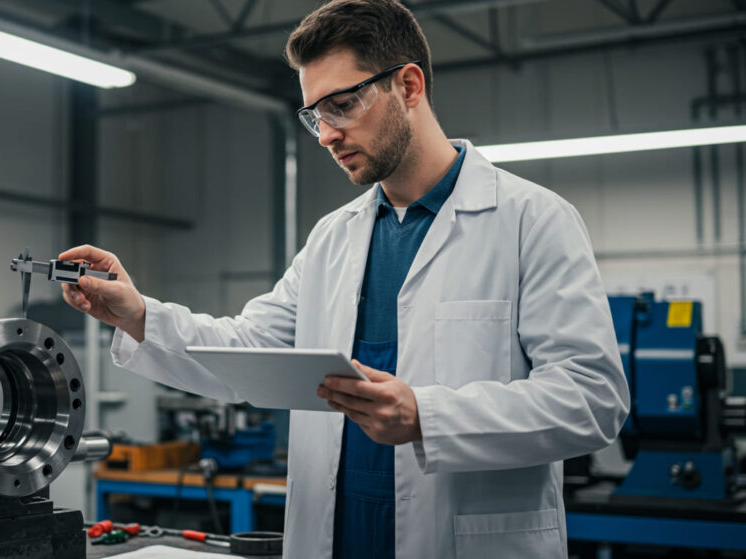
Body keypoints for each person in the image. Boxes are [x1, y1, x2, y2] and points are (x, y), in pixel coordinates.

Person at [59, 0, 629, 556]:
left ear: (408, 86)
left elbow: (592, 397)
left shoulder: (532, 220)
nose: (326, 134)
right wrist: (138, 315)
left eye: (342, 105)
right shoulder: (332, 237)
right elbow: (251, 351)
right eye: (315, 115)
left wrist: (427, 416)